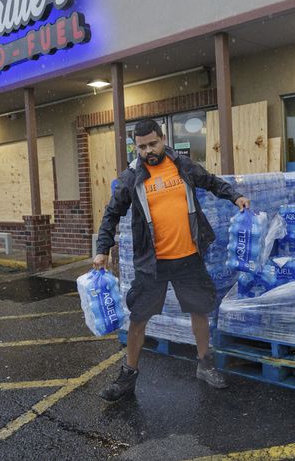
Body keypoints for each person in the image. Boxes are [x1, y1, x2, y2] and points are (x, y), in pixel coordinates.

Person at [93, 119, 250, 401]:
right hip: (152, 263)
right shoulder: (131, 177)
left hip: (188, 257)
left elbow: (211, 182)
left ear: (163, 139)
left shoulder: (183, 165)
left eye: (153, 144)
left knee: (199, 310)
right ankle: (128, 376)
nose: (148, 151)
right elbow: (111, 214)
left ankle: (204, 364)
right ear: (135, 147)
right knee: (138, 318)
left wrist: (235, 196)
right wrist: (103, 248)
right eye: (141, 147)